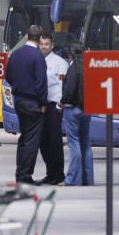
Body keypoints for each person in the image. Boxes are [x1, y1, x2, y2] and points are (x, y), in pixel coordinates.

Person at [5, 25, 47, 185]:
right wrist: (42, 102)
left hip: (18, 100)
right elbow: (41, 82)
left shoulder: (15, 54)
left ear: (26, 36)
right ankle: (25, 175)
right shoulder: (37, 57)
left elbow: (8, 76)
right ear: (40, 38)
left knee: (24, 138)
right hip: (33, 102)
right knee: (31, 141)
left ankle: (19, 173)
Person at [60, 43, 94, 186]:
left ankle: (72, 179)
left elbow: (69, 92)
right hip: (87, 109)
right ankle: (88, 179)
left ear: (70, 55)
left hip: (73, 109)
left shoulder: (73, 69)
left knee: (74, 144)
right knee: (85, 143)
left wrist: (61, 102)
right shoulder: (90, 68)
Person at [38, 32, 68, 185]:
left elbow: (64, 87)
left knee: (55, 141)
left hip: (53, 106)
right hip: (39, 106)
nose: (43, 47)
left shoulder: (60, 63)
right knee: (42, 140)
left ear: (52, 45)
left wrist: (59, 106)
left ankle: (58, 174)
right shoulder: (36, 61)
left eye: (46, 44)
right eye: (42, 44)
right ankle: (50, 172)